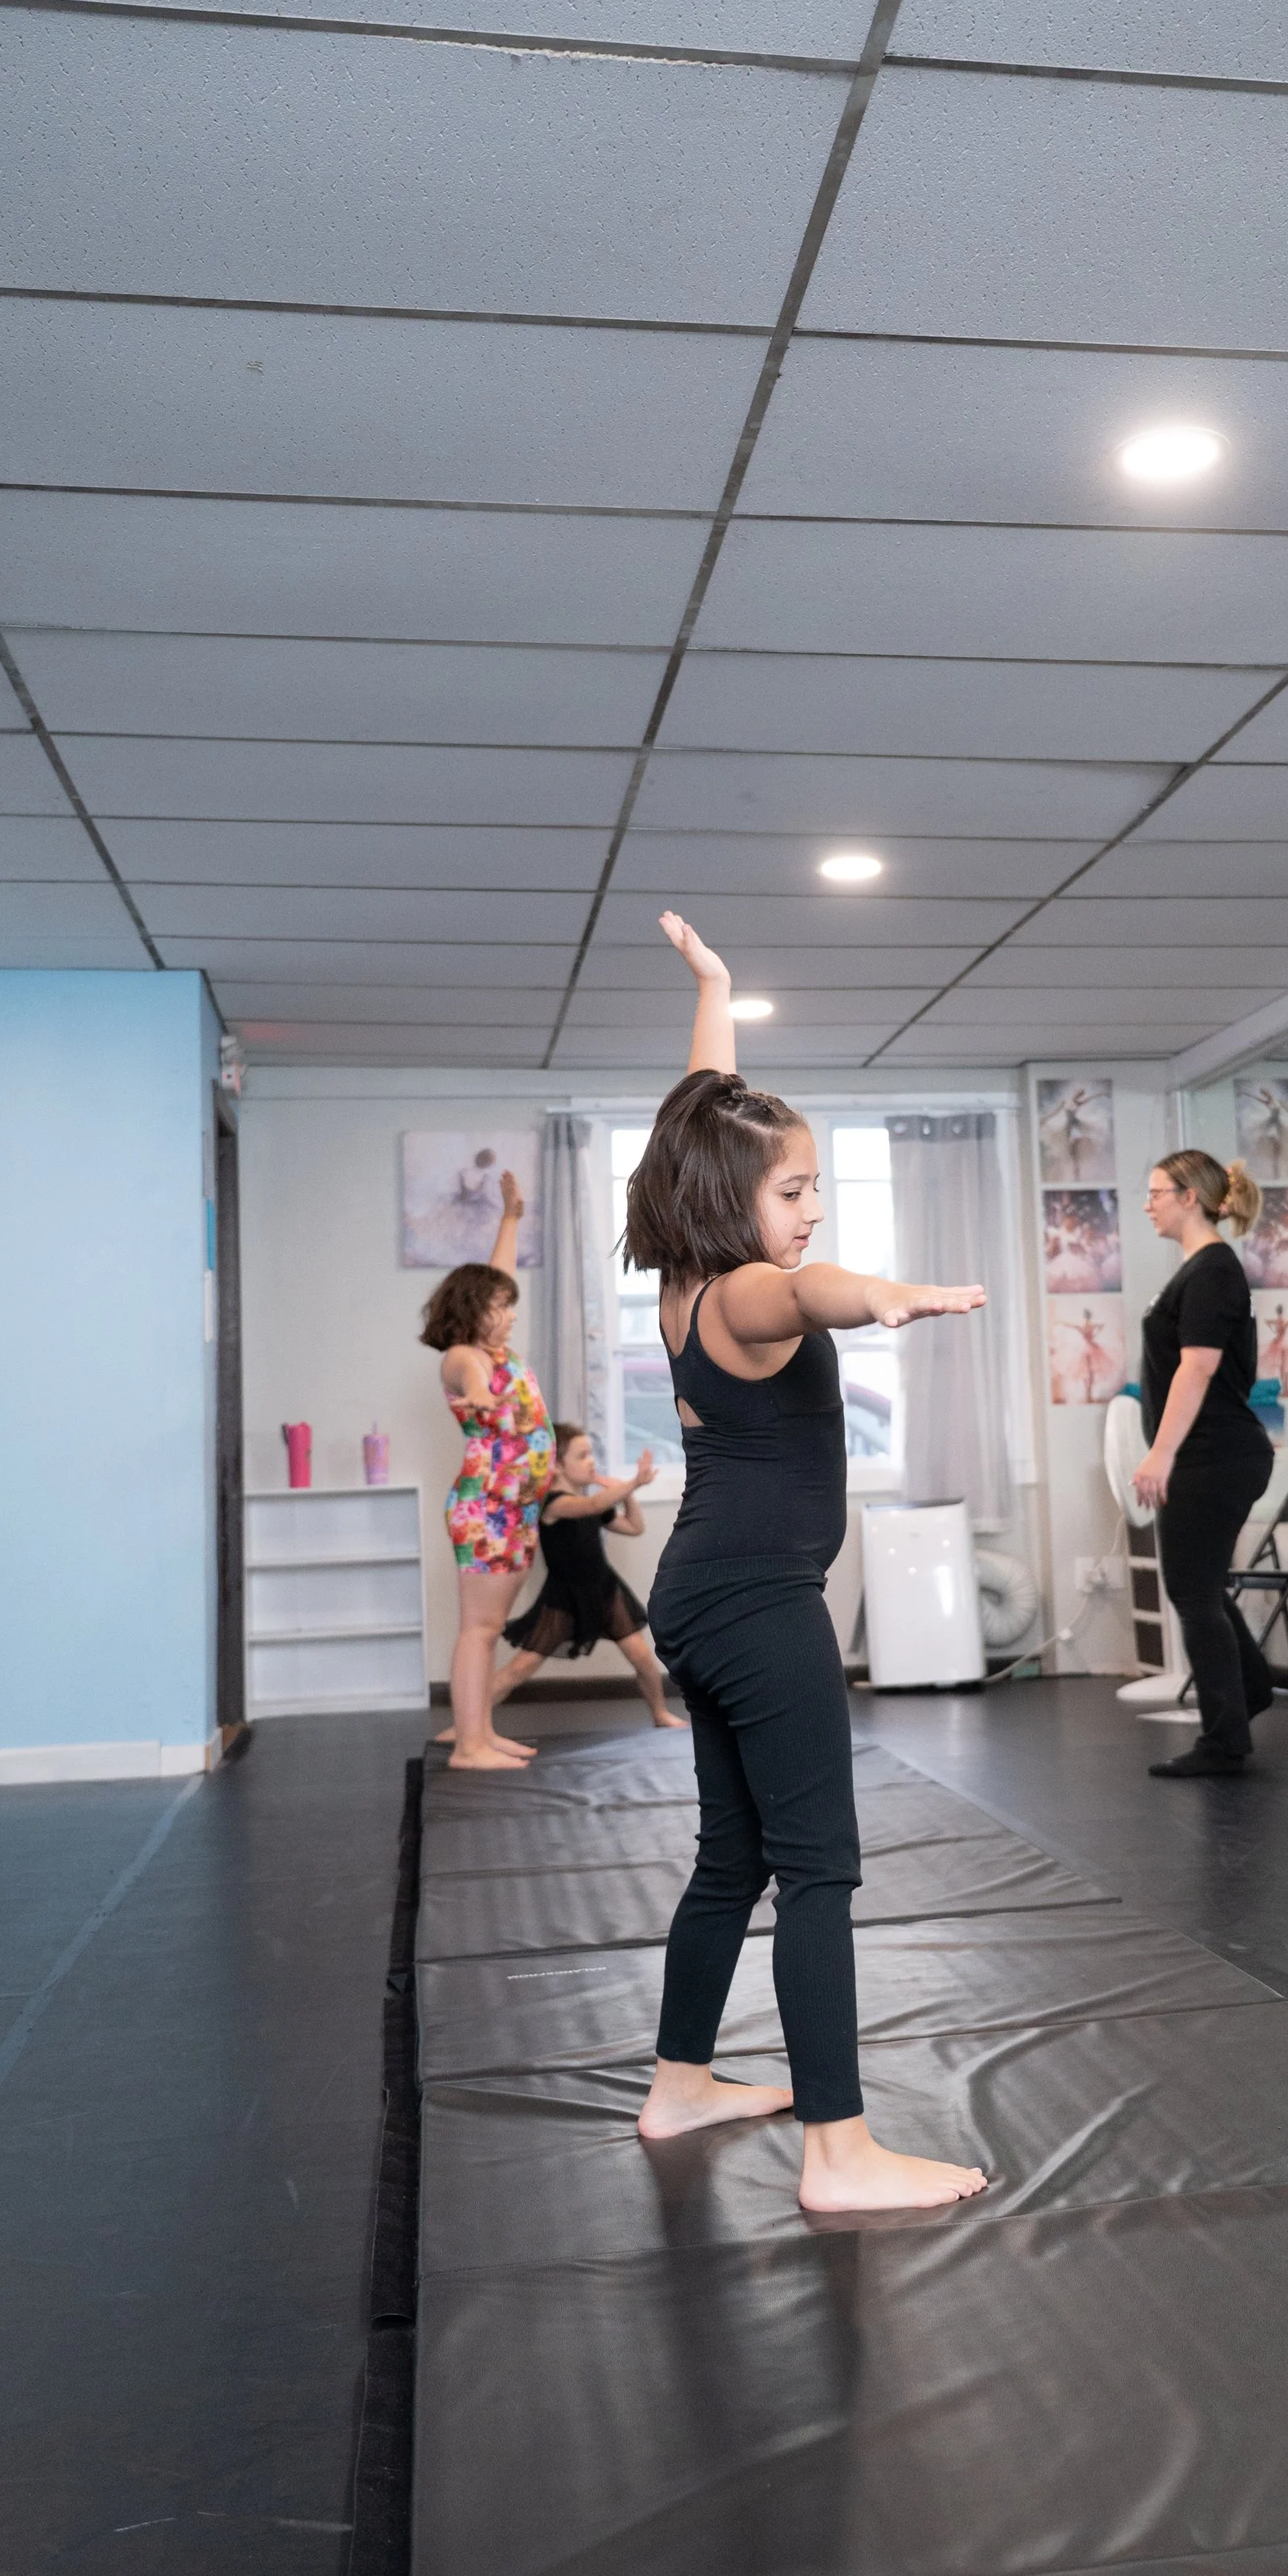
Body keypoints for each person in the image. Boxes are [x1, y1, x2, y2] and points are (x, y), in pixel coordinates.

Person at [631, 910, 990, 2213]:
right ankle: (839, 2151)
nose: (810, 1208)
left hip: (696, 1592)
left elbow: (695, 1113)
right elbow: (813, 1291)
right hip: (758, 1603)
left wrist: (717, 991)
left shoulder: (682, 1270)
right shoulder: (745, 1291)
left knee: (735, 1854)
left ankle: (679, 2078)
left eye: (814, 1187)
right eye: (791, 1191)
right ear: (731, 1200)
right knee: (818, 1866)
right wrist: (888, 1292)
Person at [1134, 1149, 1275, 1780]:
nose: (1148, 1203)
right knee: (1203, 1587)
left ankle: (1224, 1740)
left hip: (1213, 1456)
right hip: (1209, 1454)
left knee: (1191, 1592)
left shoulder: (1214, 1270)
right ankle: (1249, 1692)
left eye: (1157, 1192)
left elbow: (1198, 1368)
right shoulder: (1201, 1269)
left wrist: (1159, 1455)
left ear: (1190, 1196)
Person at [418, 1170, 554, 1771]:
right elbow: (469, 1379)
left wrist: (511, 1218)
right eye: (502, 1307)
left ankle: (482, 1730)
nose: (511, 1314)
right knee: (478, 1627)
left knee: (490, 1625)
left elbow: (499, 1274)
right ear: (477, 1311)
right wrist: (479, 1395)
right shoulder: (463, 1358)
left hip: (515, 1509)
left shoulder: (496, 1350)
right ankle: (469, 1746)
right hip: (487, 1511)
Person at [493, 1425, 684, 1732]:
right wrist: (633, 1483)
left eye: (591, 1455)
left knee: (643, 1658)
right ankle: (469, 1726)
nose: (592, 1462)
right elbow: (592, 1505)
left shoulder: (592, 1502)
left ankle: (660, 1714)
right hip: (564, 1596)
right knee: (522, 1667)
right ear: (557, 1466)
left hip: (605, 1589)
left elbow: (634, 1527)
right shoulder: (554, 1504)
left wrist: (627, 1494)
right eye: (582, 1456)